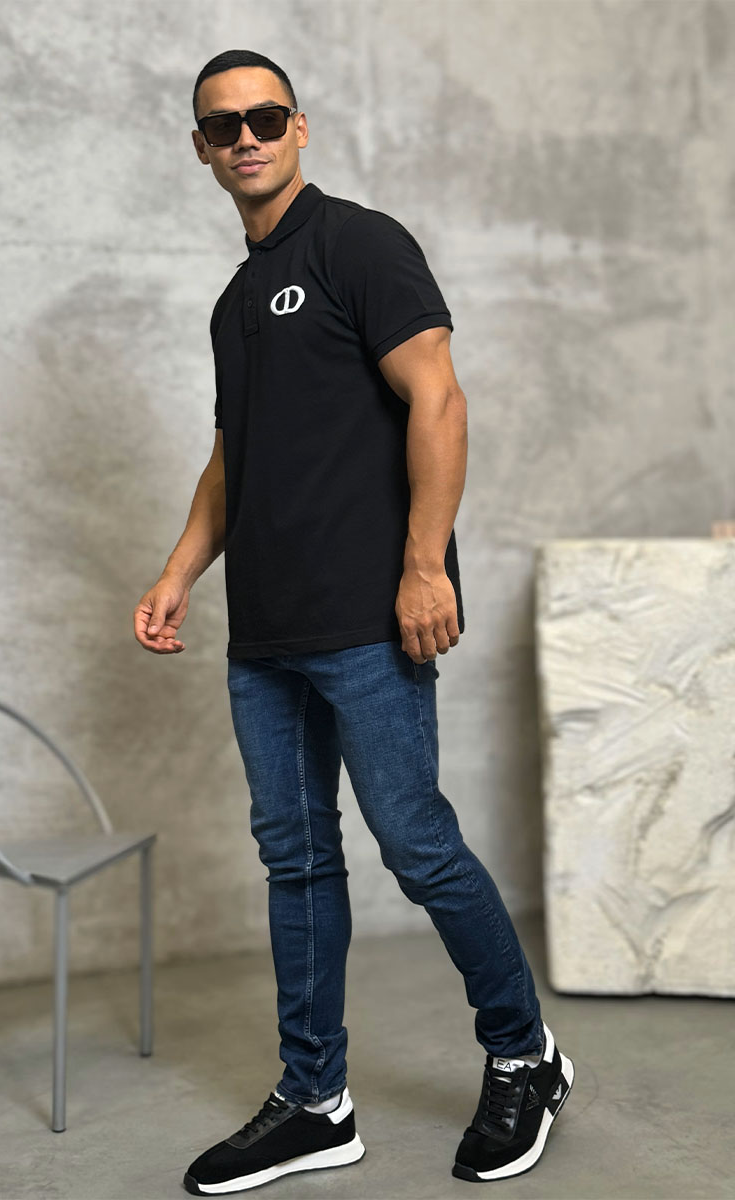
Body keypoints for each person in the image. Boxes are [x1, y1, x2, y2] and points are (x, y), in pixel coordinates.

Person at [133, 48, 574, 1196]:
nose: (245, 137)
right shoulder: (234, 303)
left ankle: (523, 1055)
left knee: (415, 845)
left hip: (370, 619)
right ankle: (314, 1100)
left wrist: (423, 566)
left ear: (300, 127)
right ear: (199, 149)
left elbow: (438, 397)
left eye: (264, 116)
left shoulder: (358, 244)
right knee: (295, 862)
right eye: (222, 125)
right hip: (265, 633)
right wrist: (179, 571)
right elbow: (232, 457)